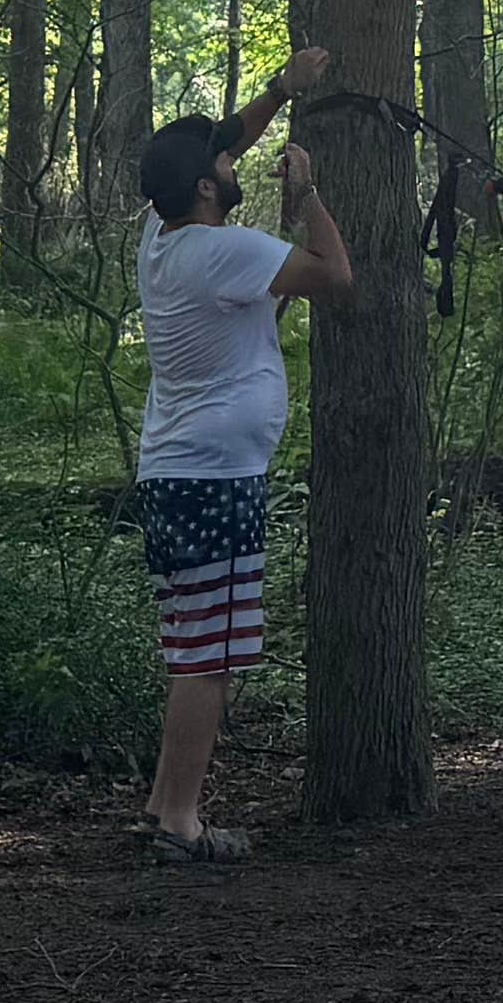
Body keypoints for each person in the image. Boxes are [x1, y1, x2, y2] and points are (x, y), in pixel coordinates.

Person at [131, 61, 350, 860]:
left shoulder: (161, 236)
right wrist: (309, 199)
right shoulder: (224, 253)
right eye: (224, 163)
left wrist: (282, 89)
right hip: (213, 480)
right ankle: (182, 824)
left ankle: (164, 809)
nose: (235, 160)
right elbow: (335, 277)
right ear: (204, 189)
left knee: (195, 647)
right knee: (210, 660)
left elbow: (224, 140)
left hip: (176, 471)